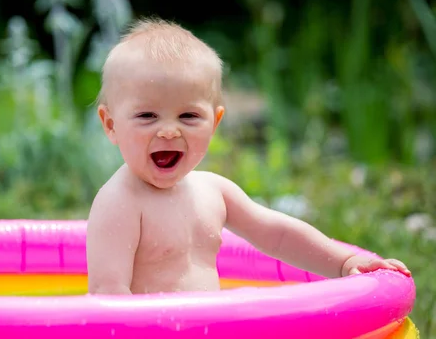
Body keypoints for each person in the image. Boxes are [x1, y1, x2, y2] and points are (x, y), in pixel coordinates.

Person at [86, 17, 411, 295]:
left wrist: (343, 262)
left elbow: (278, 235)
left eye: (188, 116)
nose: (169, 131)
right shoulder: (120, 202)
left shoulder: (214, 192)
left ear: (214, 123)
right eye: (147, 116)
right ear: (111, 125)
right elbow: (108, 297)